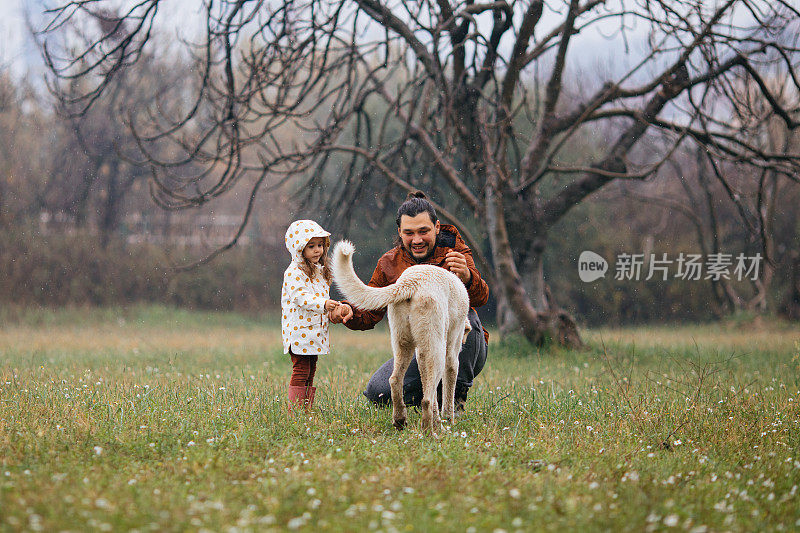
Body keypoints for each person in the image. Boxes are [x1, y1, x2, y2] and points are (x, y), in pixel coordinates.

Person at [329, 191, 490, 411]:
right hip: (421, 348)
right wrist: (349, 312)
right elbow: (370, 312)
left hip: (467, 347)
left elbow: (481, 298)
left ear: (437, 227)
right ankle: (424, 397)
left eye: (424, 231)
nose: (417, 240)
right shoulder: (389, 263)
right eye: (409, 233)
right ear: (399, 232)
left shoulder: (454, 250)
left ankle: (454, 398)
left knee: (465, 319)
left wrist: (468, 277)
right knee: (379, 392)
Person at [281, 219, 341, 413]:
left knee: (311, 369)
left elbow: (320, 295)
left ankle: (305, 408)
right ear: (299, 248)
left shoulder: (318, 271)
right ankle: (296, 410)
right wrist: (324, 304)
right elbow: (300, 297)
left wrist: (331, 308)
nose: (318, 250)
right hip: (300, 331)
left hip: (314, 331)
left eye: (321, 245)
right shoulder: (294, 272)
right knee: (301, 369)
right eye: (311, 246)